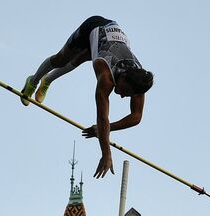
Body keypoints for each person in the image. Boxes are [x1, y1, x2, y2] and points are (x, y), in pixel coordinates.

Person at [20, 16, 153, 178]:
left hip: (112, 40)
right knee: (61, 59)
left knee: (83, 57)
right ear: (123, 78)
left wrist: (107, 128)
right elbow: (102, 117)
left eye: (129, 95)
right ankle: (33, 81)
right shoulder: (105, 76)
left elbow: (136, 117)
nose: (124, 96)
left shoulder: (139, 81)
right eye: (126, 91)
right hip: (93, 27)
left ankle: (47, 80)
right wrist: (106, 154)